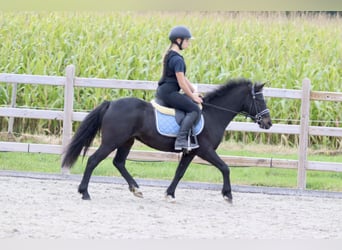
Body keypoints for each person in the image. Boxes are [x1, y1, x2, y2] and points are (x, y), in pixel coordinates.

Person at [156, 25, 203, 151]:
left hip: (164, 92)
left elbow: (183, 78)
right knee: (194, 109)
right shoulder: (177, 59)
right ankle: (181, 140)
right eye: (187, 40)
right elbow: (181, 83)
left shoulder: (170, 55)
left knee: (189, 102)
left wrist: (193, 90)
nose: (188, 43)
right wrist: (193, 97)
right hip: (169, 94)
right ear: (178, 40)